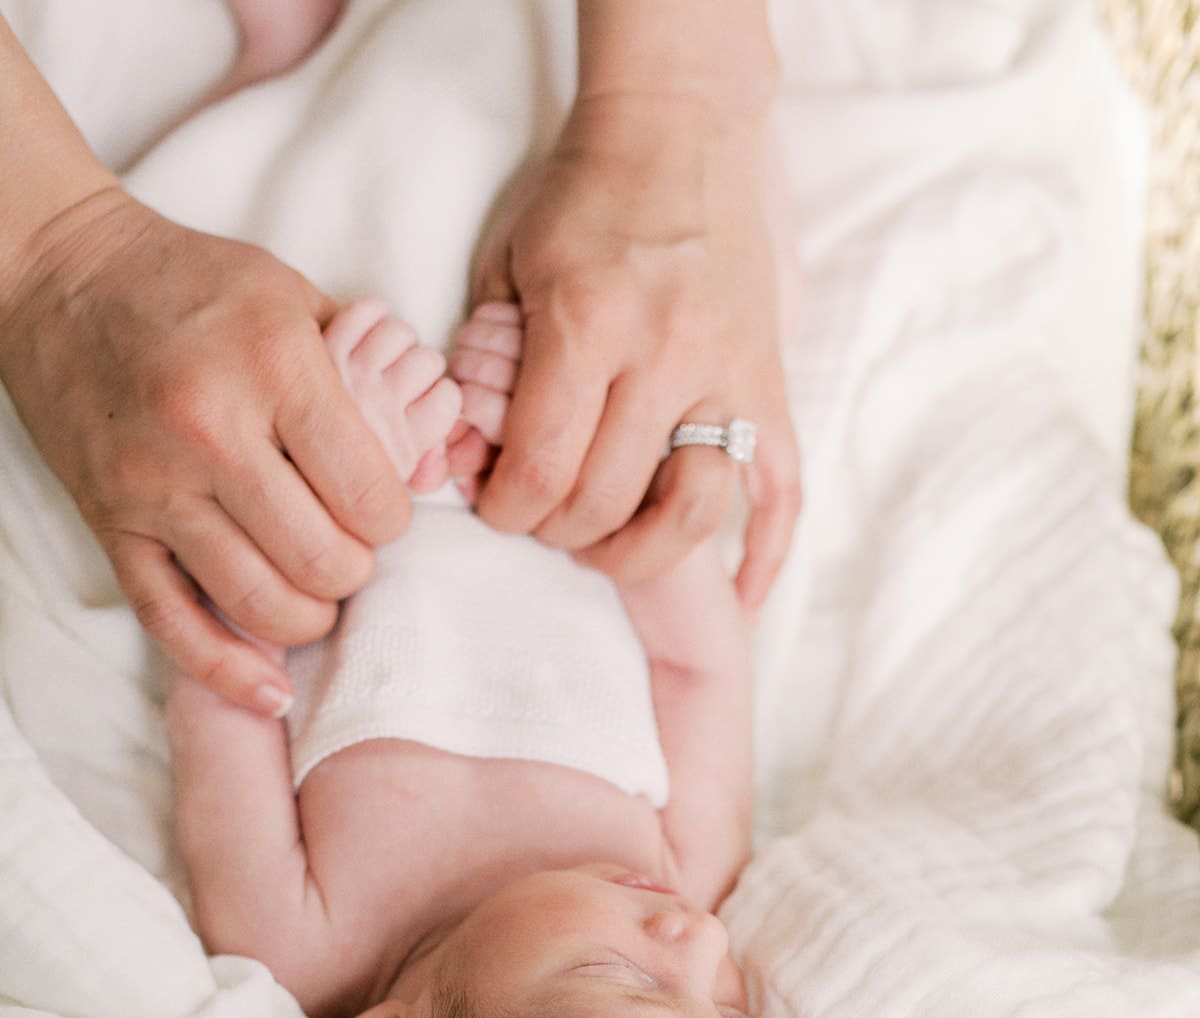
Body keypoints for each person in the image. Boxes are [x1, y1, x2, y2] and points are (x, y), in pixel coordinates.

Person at [166, 292, 804, 1018]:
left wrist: (343, 459)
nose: (697, 939)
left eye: (629, 978)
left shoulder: (298, 934)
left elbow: (220, 665)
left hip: (348, 427)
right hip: (572, 457)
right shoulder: (681, 871)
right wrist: (590, 492)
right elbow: (700, 660)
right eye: (731, 1017)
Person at [0, 0, 801, 718]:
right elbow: (706, 697)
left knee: (269, 344)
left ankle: (286, 69)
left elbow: (235, 708)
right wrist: (51, 253)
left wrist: (671, 110)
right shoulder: (676, 865)